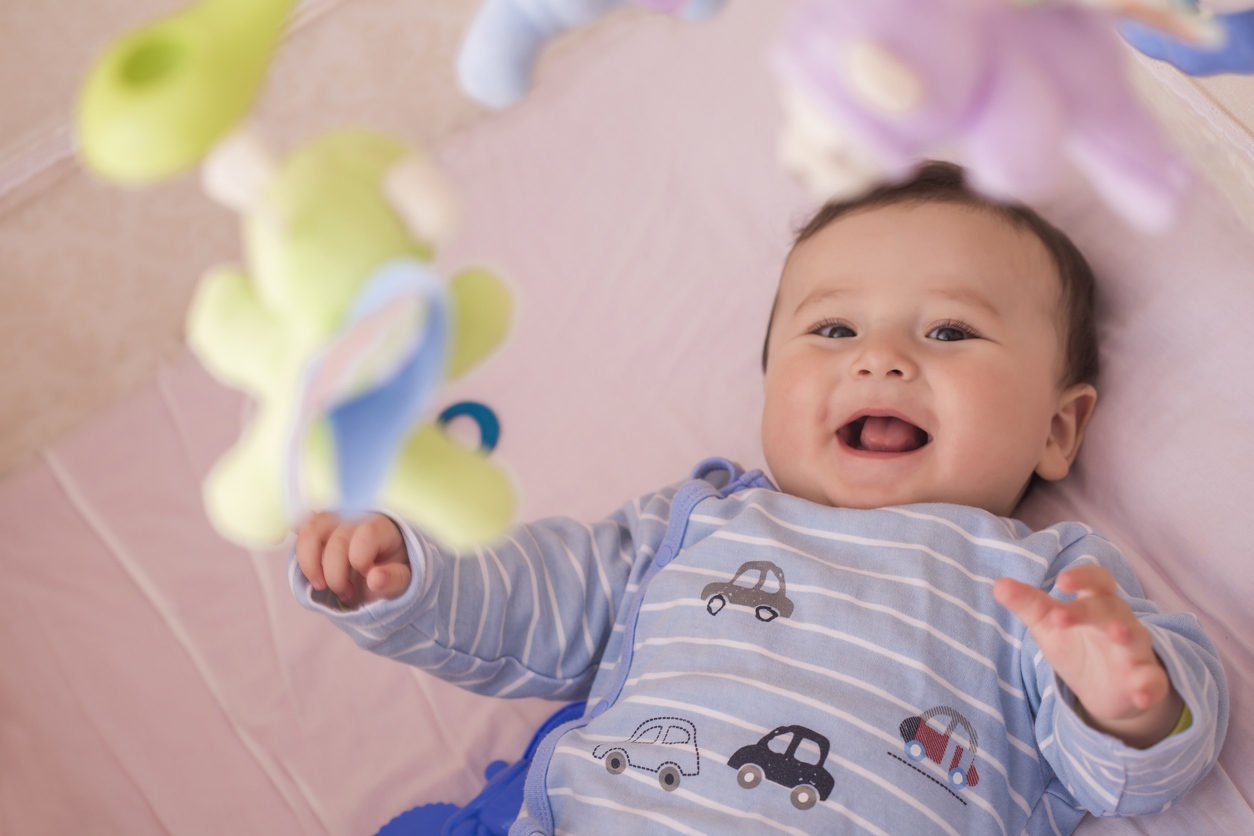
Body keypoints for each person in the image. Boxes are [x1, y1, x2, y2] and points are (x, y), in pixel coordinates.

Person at [291, 162, 1227, 835]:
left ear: (1058, 430)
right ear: (771, 383)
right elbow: (532, 604)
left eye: (950, 330)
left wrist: (1124, 704)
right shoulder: (699, 523)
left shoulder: (1045, 585)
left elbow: (1133, 773)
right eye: (832, 327)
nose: (881, 355)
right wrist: (410, 579)